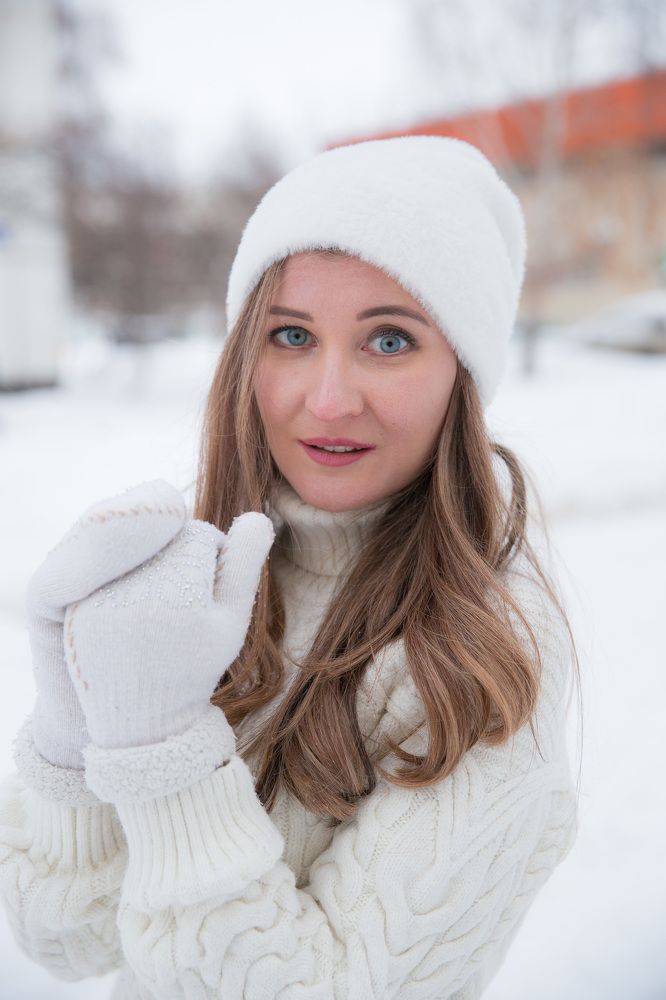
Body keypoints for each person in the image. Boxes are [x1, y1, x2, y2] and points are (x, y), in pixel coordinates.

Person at [0, 135, 581, 999]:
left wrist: (167, 754)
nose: (329, 397)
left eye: (390, 340)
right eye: (292, 334)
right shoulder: (194, 580)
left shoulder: (485, 656)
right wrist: (69, 723)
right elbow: (66, 938)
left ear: (462, 374)